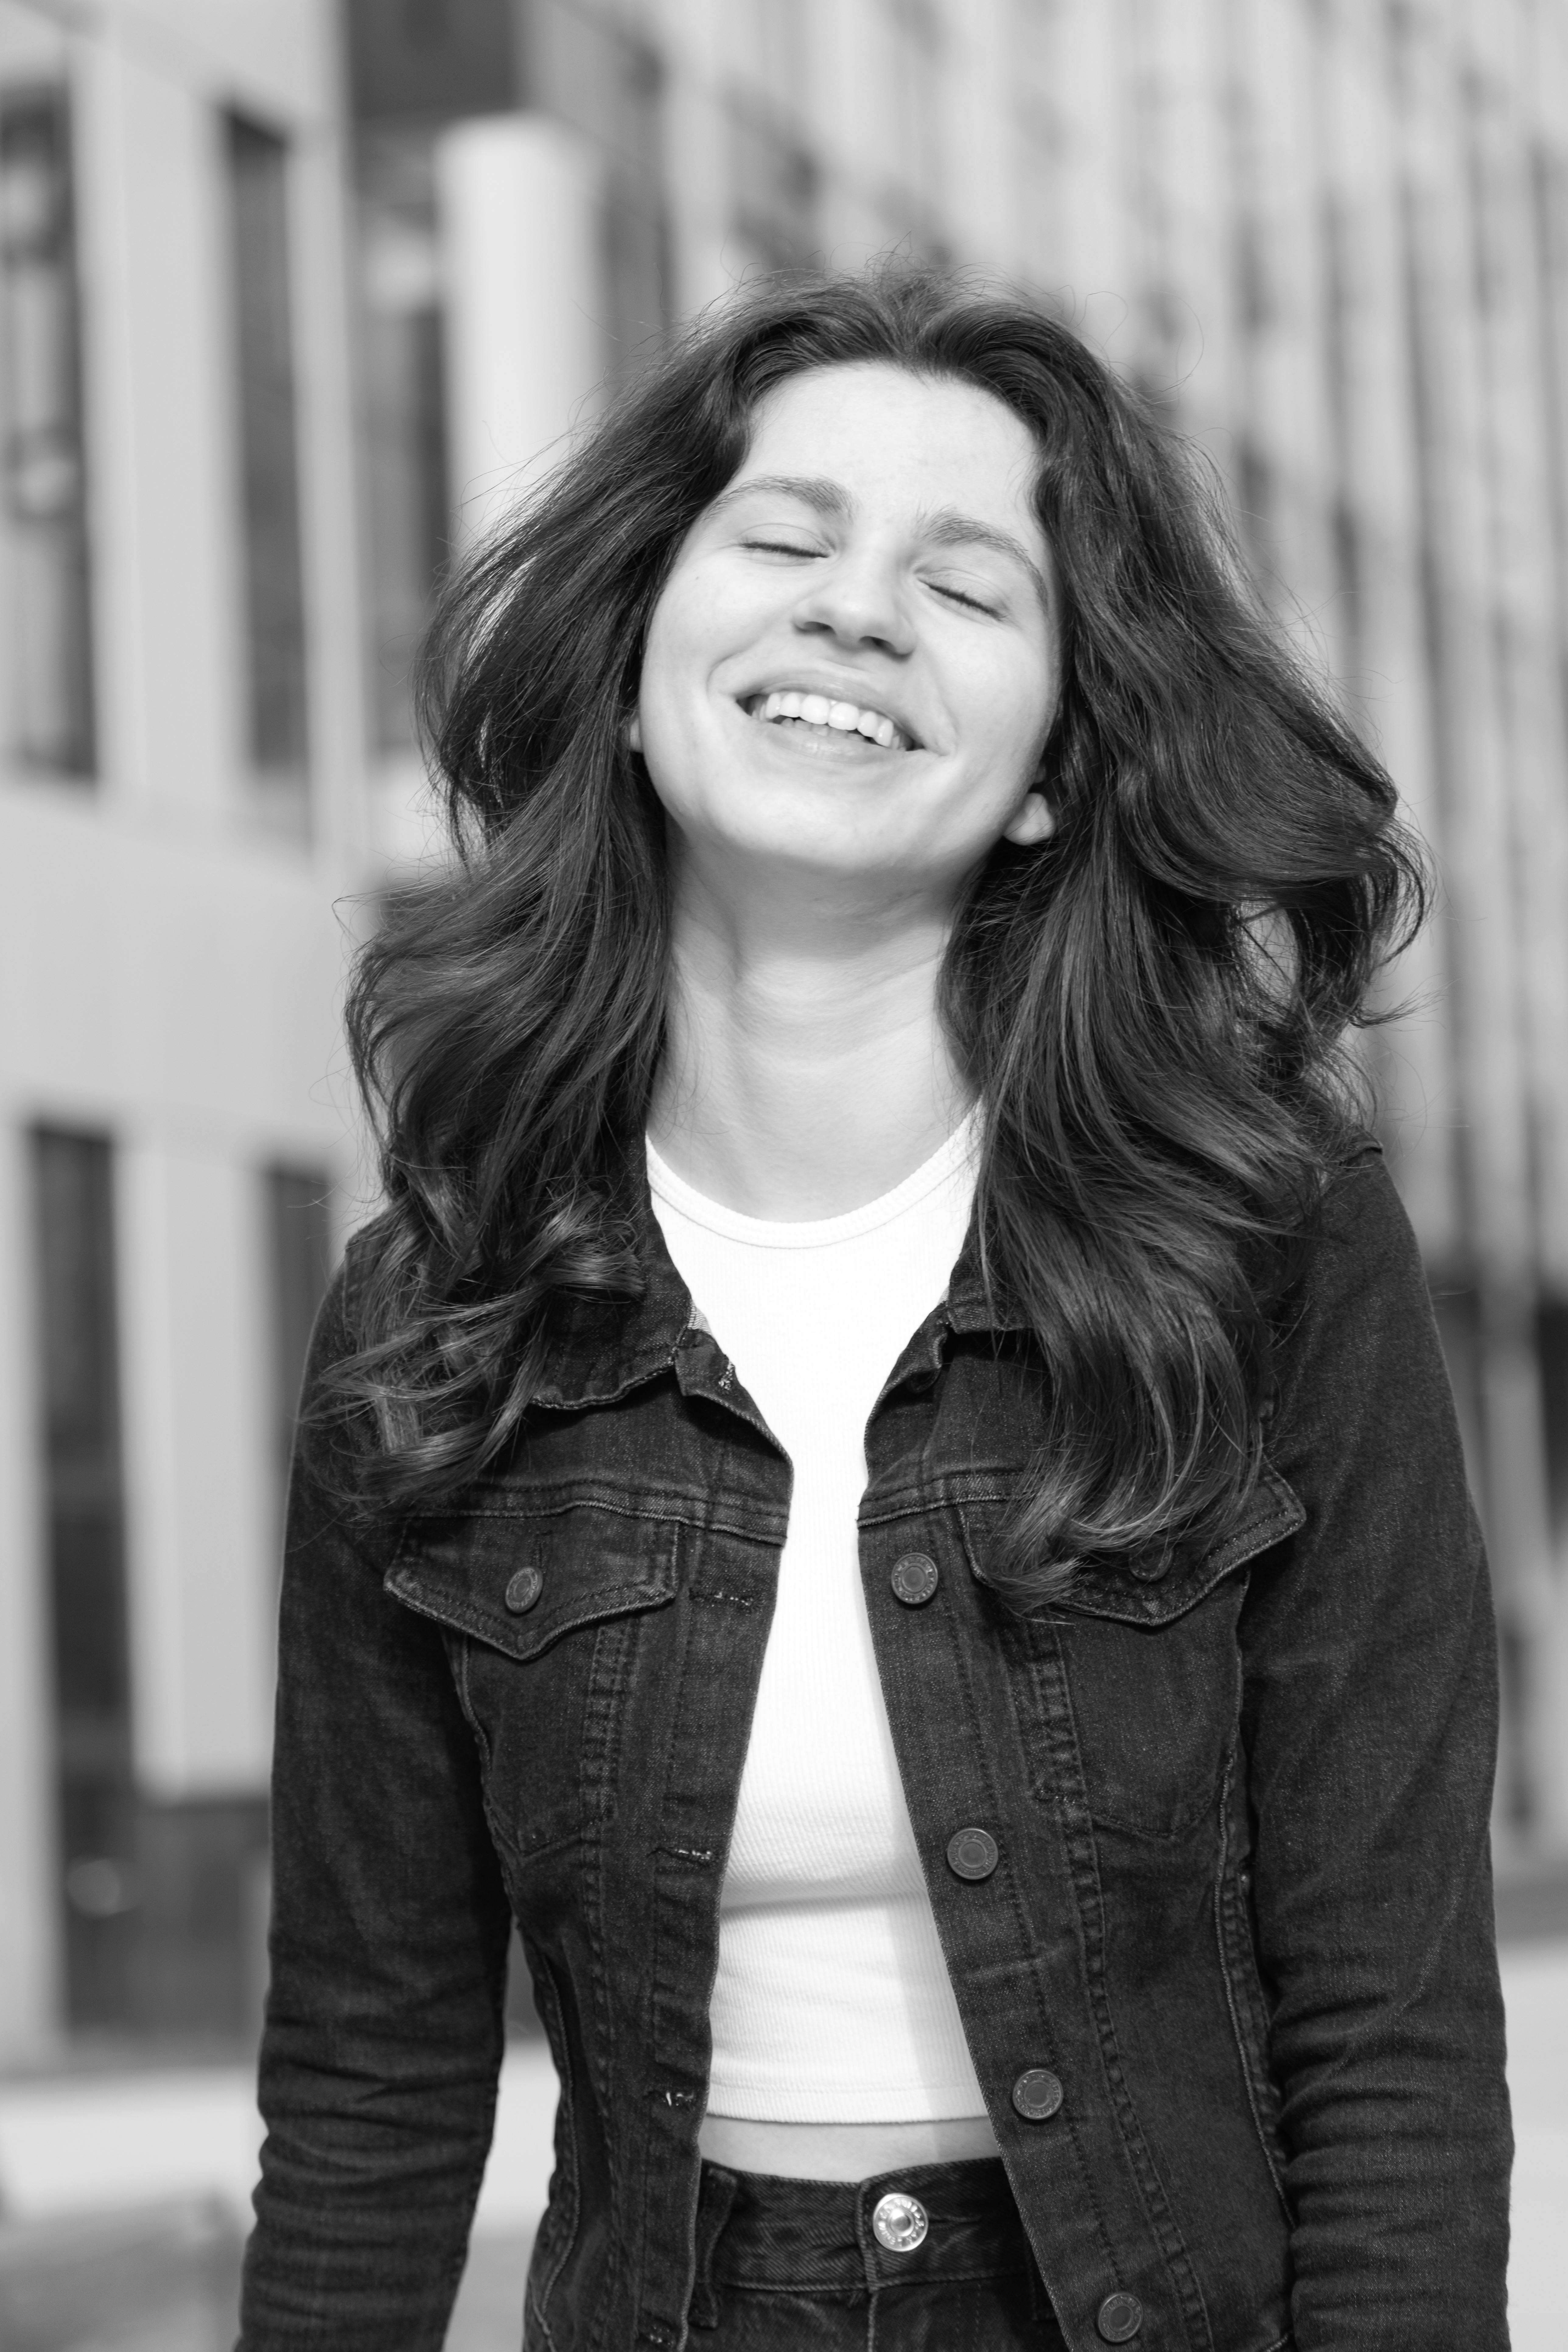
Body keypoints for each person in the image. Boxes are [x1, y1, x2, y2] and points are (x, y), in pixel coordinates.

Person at [238, 265, 1510, 2352]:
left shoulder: (1257, 1242)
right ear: (644, 661)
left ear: (1041, 775)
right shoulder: (437, 1314)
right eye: (787, 537)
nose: (855, 611)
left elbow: (1390, 2029)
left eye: (968, 586)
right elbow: (373, 2077)